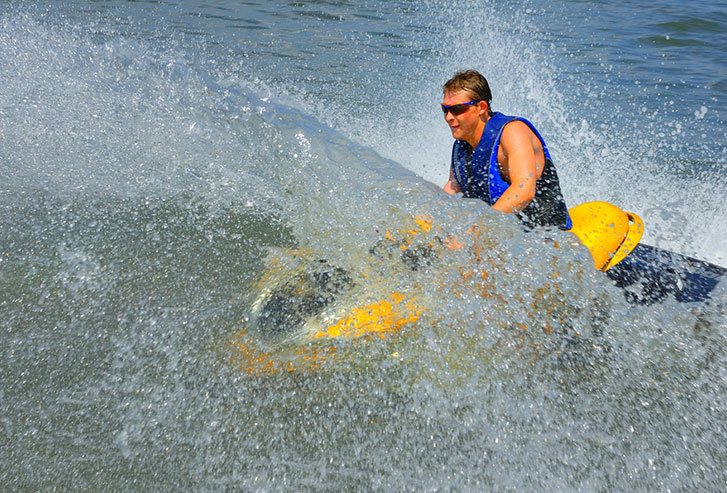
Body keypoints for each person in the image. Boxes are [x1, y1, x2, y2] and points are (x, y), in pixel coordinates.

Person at [442, 70, 571, 230]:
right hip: (501, 234)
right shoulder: (462, 144)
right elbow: (452, 189)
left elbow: (524, 191)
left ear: (481, 107)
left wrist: (478, 230)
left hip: (544, 236)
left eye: (457, 109)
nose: (448, 117)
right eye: (445, 110)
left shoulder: (512, 133)